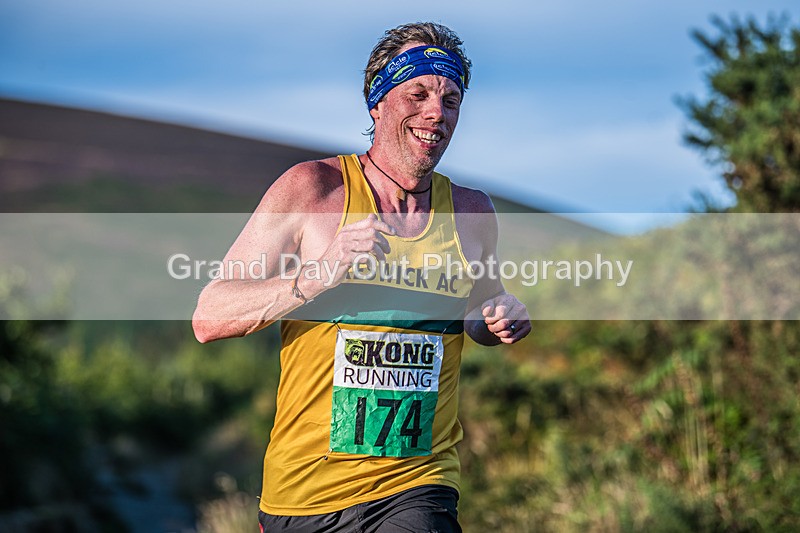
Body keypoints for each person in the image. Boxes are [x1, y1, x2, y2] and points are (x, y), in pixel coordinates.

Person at [192, 21, 530, 533]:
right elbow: (210, 316)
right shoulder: (314, 190)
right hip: (303, 493)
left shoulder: (470, 212)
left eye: (451, 100)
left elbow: (478, 315)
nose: (435, 113)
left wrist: (499, 316)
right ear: (378, 102)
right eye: (418, 93)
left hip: (418, 483)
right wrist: (320, 274)